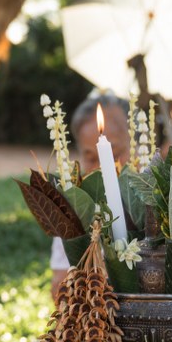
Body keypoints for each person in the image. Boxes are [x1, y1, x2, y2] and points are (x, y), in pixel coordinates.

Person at [49, 94, 131, 300]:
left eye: (114, 155)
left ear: (135, 143)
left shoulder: (154, 197)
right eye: (91, 157)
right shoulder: (76, 205)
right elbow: (59, 288)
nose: (102, 168)